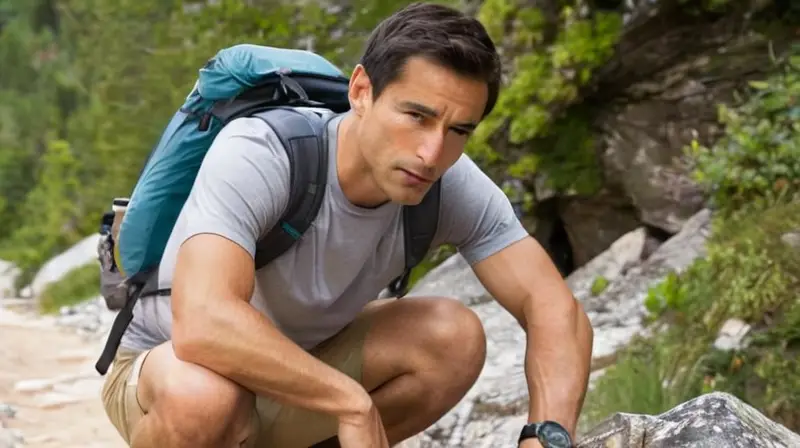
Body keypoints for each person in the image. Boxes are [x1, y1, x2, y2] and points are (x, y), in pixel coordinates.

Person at [99, 3, 593, 447]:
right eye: (416, 116)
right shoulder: (265, 151)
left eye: (459, 130)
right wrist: (347, 401)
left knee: (453, 337)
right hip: (168, 372)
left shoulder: (449, 181)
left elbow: (552, 306)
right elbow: (203, 324)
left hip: (299, 372)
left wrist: (545, 436)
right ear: (361, 91)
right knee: (205, 397)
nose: (432, 152)